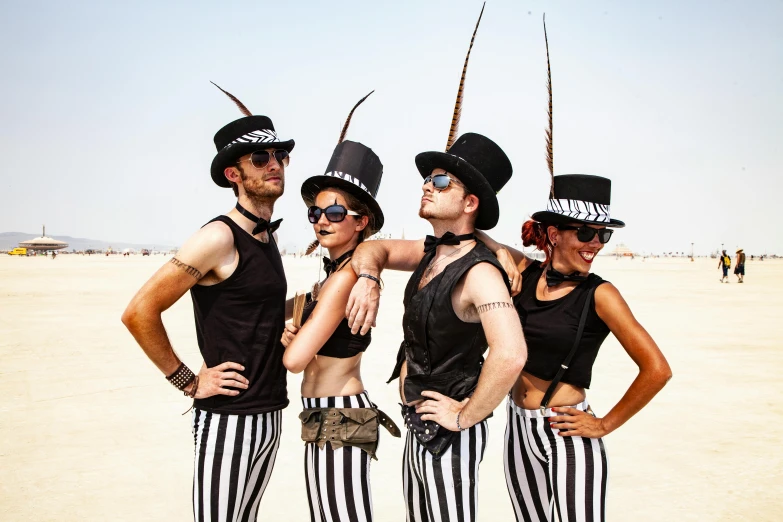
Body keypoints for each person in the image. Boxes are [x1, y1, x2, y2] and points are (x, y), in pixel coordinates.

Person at [476, 24, 672, 521]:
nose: (596, 245)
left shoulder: (601, 295)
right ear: (554, 232)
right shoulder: (525, 271)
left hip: (566, 431)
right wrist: (502, 252)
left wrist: (604, 424)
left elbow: (658, 369)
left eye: (603, 236)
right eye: (586, 234)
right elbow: (474, 235)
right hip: (518, 428)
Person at [346, 10, 526, 518]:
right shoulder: (433, 251)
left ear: (471, 202)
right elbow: (374, 247)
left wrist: (467, 415)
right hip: (418, 424)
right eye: (429, 177)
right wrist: (368, 277)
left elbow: (509, 355)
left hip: (449, 432)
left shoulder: (481, 272)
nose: (428, 183)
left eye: (443, 181)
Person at [122, 84, 295, 521]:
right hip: (228, 417)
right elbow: (139, 311)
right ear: (233, 174)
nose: (274, 165)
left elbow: (256, 312)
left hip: (269, 410)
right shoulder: (218, 237)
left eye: (280, 156)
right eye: (261, 159)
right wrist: (187, 380)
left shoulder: (267, 236)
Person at [279, 92, 400, 522]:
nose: (321, 220)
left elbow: (294, 361)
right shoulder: (331, 275)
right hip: (323, 414)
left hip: (340, 415)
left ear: (361, 220)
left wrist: (293, 343)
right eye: (315, 212)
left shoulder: (346, 276)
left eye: (334, 211)